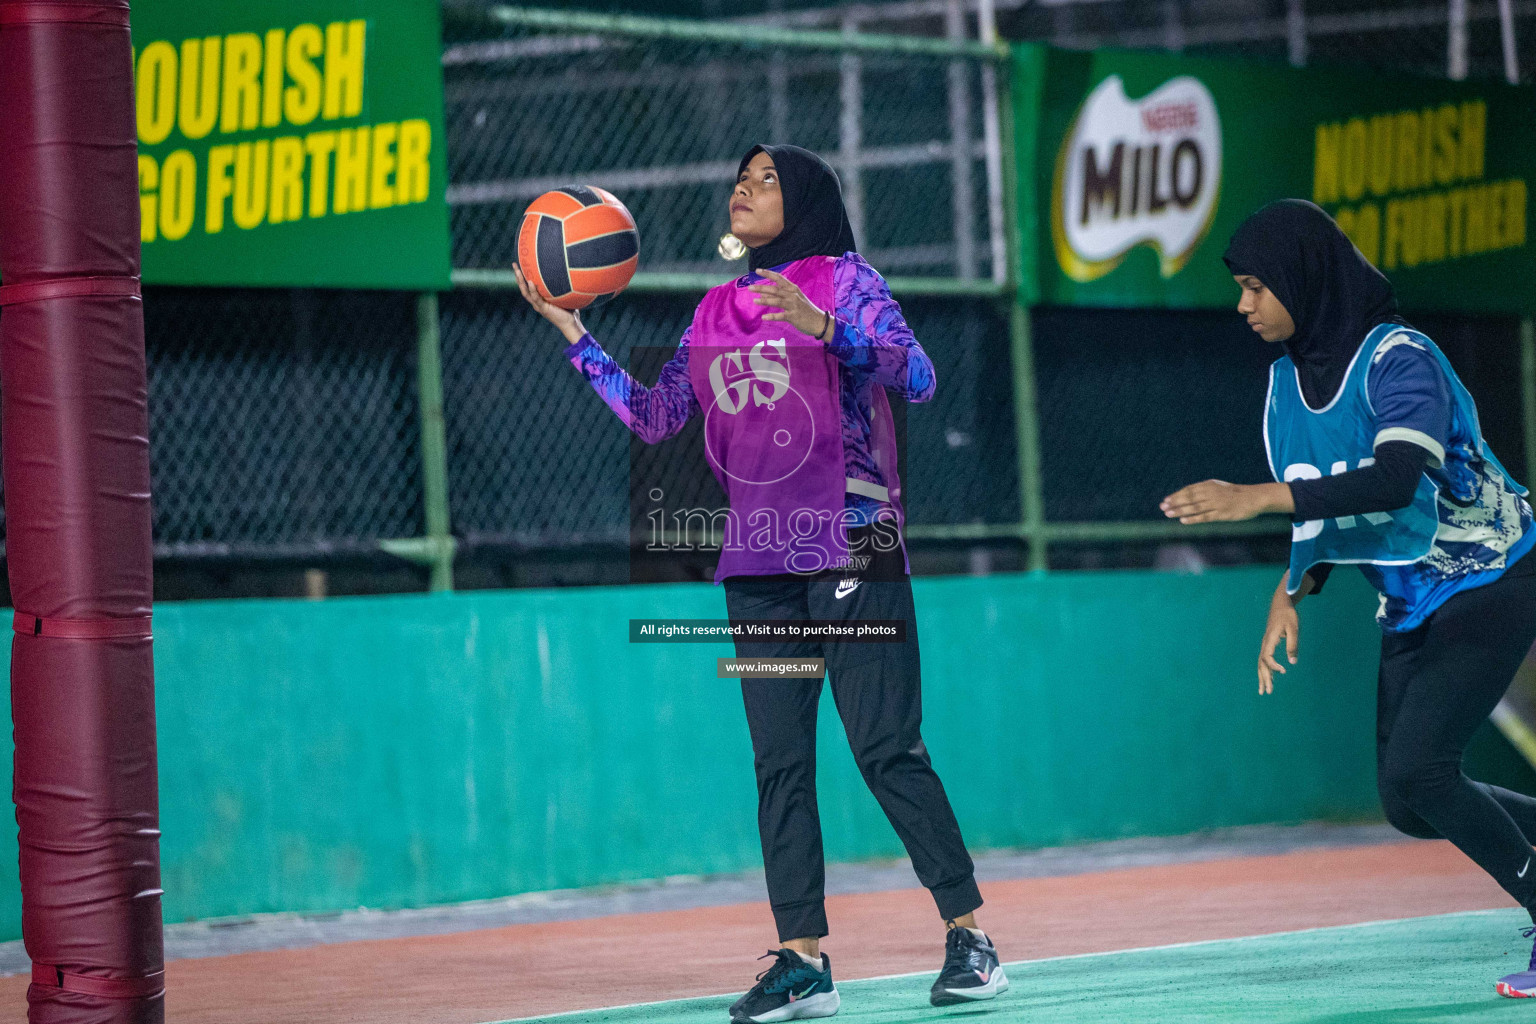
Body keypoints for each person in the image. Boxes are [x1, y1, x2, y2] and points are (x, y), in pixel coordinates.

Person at [513, 144, 1007, 1021]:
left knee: (883, 747)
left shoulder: (846, 281)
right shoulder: (714, 308)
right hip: (758, 567)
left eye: (767, 177)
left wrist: (827, 331)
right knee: (780, 763)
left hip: (852, 544)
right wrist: (574, 337)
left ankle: (970, 936)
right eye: (741, 176)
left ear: (808, 198)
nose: (745, 186)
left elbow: (918, 376)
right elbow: (656, 414)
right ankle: (802, 959)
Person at [1160, 198, 1536, 999]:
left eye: (1257, 286)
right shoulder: (1288, 383)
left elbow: (1395, 477)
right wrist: (1291, 588)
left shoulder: (1402, 361)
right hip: (1412, 598)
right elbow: (1327, 493)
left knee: (1427, 771)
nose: (1243, 305)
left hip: (1495, 573)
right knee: (1407, 802)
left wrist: (1252, 498)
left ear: (1305, 278)